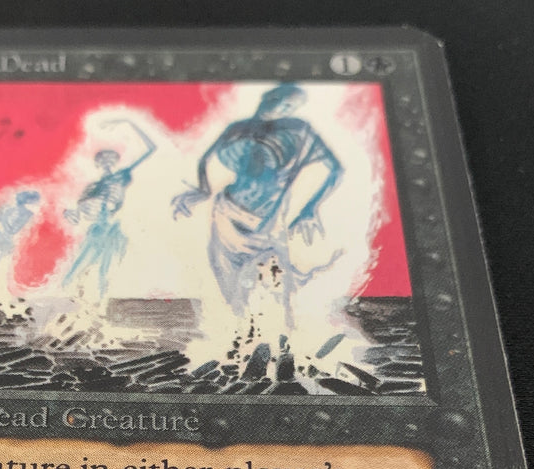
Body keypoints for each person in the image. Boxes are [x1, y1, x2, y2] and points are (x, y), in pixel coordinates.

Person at [171, 84, 343, 318]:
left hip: (267, 223)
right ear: (268, 95)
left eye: (290, 106)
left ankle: (278, 336)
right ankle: (238, 335)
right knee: (231, 291)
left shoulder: (299, 129)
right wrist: (203, 190)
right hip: (227, 214)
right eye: (279, 99)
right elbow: (205, 158)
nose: (281, 107)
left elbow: (335, 169)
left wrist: (310, 210)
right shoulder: (237, 128)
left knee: (273, 290)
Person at [63, 119, 156, 297]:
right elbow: (80, 212)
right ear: (98, 164)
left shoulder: (121, 176)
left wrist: (129, 122)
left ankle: (99, 297)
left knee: (106, 267)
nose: (106, 162)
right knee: (80, 263)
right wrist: (72, 214)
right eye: (102, 160)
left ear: (115, 161)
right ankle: (72, 291)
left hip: (112, 227)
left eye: (110, 159)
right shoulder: (93, 187)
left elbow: (151, 149)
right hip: (97, 227)